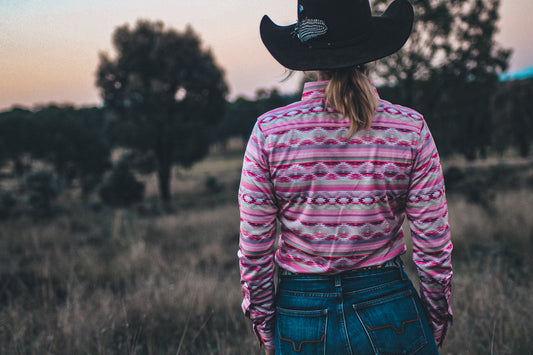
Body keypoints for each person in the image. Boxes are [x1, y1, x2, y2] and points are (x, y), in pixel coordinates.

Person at [238, 0, 453, 354]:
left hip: (301, 315)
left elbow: (254, 251)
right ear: (368, 51)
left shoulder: (269, 133)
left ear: (304, 52)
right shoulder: (410, 128)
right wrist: (434, 320)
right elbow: (432, 247)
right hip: (391, 307)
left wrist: (265, 329)